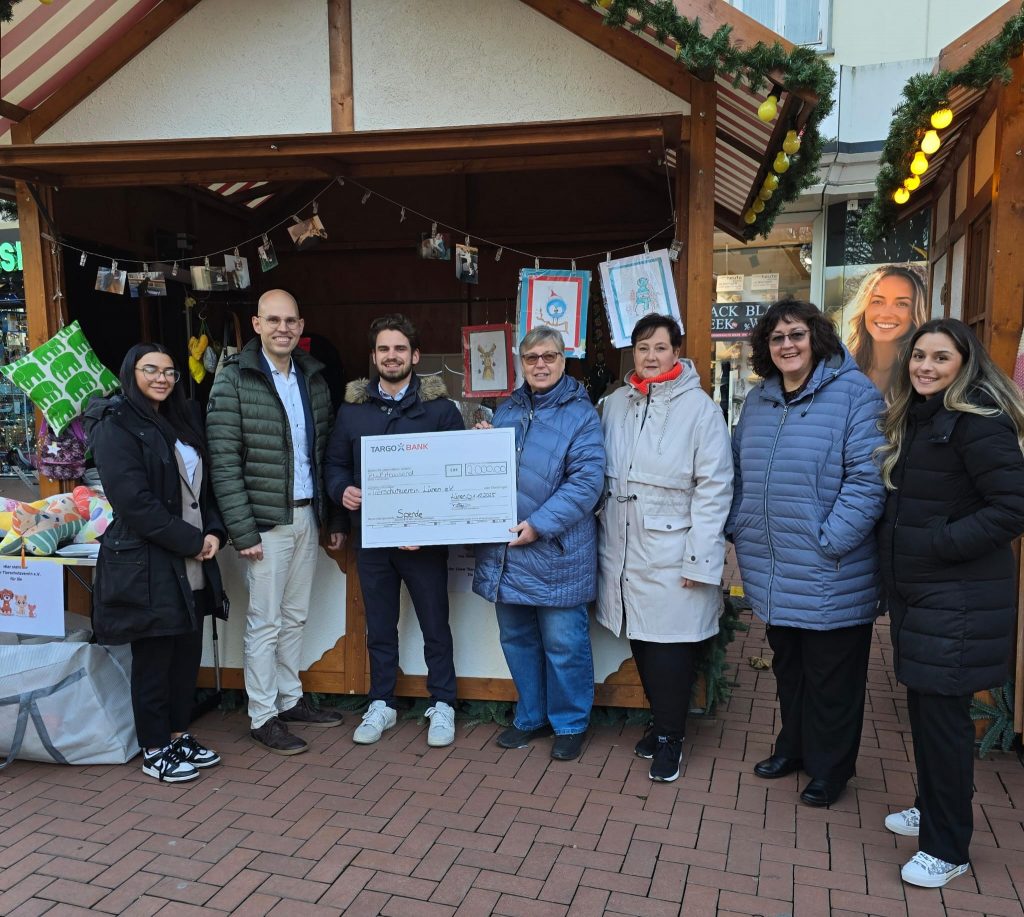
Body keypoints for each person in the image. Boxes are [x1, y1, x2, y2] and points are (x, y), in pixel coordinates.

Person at [875, 318, 1024, 888]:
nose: (925, 366)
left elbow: (1013, 508)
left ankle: (947, 846)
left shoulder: (976, 422)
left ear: (966, 362)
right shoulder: (921, 416)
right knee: (927, 710)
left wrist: (940, 543)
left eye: (940, 357)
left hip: (956, 597)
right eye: (918, 356)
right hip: (923, 594)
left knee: (943, 722)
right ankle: (930, 805)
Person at [726, 298, 886, 807]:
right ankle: (792, 748)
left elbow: (868, 480)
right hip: (773, 565)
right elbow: (737, 471)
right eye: (777, 338)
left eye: (796, 335)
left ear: (816, 338)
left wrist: (831, 539)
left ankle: (830, 768)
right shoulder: (759, 401)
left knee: (832, 679)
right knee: (790, 669)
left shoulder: (856, 395)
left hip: (829, 568)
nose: (787, 345)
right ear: (765, 349)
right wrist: (739, 524)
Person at [207, 289, 346, 757]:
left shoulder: (313, 380)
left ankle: (290, 700)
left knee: (294, 616)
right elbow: (223, 463)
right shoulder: (232, 380)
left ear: (301, 326)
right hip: (264, 522)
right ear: (257, 325)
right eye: (274, 320)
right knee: (265, 623)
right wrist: (242, 531)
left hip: (307, 513)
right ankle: (262, 715)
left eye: (290, 320)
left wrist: (330, 516)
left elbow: (324, 454)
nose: (283, 328)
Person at [595, 314, 733, 782]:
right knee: (641, 635)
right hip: (624, 541)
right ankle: (661, 722)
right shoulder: (615, 404)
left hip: (673, 545)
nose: (650, 357)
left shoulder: (700, 410)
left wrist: (701, 557)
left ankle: (672, 736)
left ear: (677, 351)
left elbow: (715, 488)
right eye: (641, 348)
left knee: (670, 645)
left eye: (659, 347)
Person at [86, 344, 228, 783]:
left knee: (186, 652)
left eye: (169, 371)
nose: (162, 378)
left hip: (191, 555)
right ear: (131, 372)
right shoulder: (115, 425)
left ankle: (178, 733)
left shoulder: (179, 419)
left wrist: (215, 534)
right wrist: (192, 541)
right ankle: (154, 748)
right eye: (151, 370)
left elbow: (205, 491)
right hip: (147, 560)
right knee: (154, 655)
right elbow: (135, 504)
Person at [325, 314, 464, 747]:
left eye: (400, 349)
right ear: (373, 357)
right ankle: (381, 702)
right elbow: (334, 464)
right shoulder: (352, 411)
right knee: (380, 626)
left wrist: (430, 526)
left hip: (423, 543)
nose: (391, 356)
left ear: (415, 356)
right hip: (373, 540)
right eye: (384, 349)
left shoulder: (441, 410)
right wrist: (341, 490)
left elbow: (454, 474)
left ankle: (443, 703)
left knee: (435, 624)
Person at [473, 327, 605, 762]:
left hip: (555, 552)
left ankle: (570, 723)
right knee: (517, 639)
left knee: (564, 644)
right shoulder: (507, 410)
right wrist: (480, 444)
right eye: (532, 358)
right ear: (520, 361)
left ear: (563, 360)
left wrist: (539, 524)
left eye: (549, 356)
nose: (540, 364)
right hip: (506, 555)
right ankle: (531, 716)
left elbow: (586, 483)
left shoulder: (581, 414)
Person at [846, 265, 928, 395]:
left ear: (915, 312)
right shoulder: (841, 367)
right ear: (864, 308)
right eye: (877, 302)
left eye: (901, 304)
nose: (886, 313)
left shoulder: (923, 372)